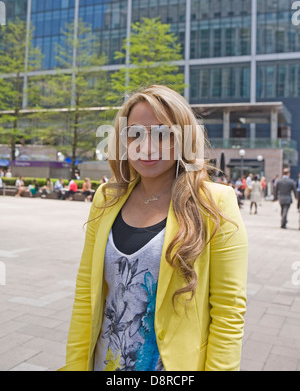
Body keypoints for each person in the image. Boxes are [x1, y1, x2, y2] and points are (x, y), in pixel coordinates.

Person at [60, 85, 248, 372]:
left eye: (164, 134)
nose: (147, 147)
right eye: (135, 134)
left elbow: (228, 312)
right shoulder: (106, 198)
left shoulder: (215, 203)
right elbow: (86, 295)